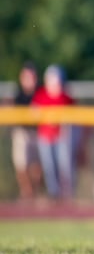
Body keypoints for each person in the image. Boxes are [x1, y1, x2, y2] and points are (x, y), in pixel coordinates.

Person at [32, 64, 77, 200]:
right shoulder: (41, 95)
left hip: (61, 137)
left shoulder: (66, 97)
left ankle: (68, 194)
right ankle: (54, 194)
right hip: (45, 137)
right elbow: (33, 111)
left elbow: (74, 115)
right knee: (49, 167)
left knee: (65, 166)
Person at [8, 62, 43, 200]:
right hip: (21, 132)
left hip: (37, 132)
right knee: (21, 164)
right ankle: (26, 193)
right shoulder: (17, 96)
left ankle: (35, 193)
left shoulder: (40, 93)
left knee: (36, 165)